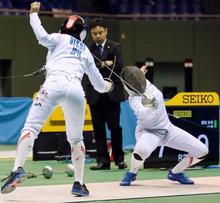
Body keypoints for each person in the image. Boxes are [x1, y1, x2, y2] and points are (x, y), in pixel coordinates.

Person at [1, 2, 113, 197]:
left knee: (31, 128)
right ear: (83, 33)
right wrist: (109, 85)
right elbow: (99, 86)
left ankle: (17, 169)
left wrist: (33, 14)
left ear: (64, 28)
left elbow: (41, 36)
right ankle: (79, 183)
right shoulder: (86, 51)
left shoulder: (58, 38)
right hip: (76, 91)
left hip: (53, 85)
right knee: (76, 138)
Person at [120, 65, 209, 186]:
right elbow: (145, 114)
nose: (139, 82)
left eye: (139, 79)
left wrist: (138, 74)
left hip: (168, 129)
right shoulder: (134, 99)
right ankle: (132, 173)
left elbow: (138, 80)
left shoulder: (147, 84)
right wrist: (150, 104)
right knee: (140, 151)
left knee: (202, 151)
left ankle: (176, 173)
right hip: (148, 132)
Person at [82, 18, 127, 170]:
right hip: (95, 96)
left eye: (100, 32)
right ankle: (103, 161)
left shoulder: (115, 46)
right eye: (94, 33)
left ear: (106, 31)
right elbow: (86, 69)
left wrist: (104, 64)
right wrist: (105, 63)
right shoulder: (86, 49)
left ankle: (119, 159)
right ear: (91, 34)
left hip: (112, 94)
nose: (98, 36)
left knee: (115, 127)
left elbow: (119, 66)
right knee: (98, 129)